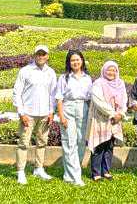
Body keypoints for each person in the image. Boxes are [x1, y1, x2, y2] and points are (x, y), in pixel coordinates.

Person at [12, 44, 57, 185]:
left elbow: (53, 94)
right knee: (24, 143)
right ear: (34, 55)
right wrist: (21, 112)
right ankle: (20, 171)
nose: (41, 56)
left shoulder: (51, 73)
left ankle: (39, 168)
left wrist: (51, 111)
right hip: (28, 114)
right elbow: (17, 92)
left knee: (42, 142)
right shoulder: (25, 71)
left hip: (45, 114)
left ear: (47, 56)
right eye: (39, 54)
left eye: (44, 54)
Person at [55, 50, 92, 187]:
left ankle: (68, 175)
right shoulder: (64, 78)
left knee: (81, 142)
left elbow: (90, 99)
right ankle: (76, 176)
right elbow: (59, 98)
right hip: (68, 108)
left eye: (78, 60)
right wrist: (61, 116)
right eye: (72, 60)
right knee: (69, 142)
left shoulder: (87, 78)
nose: (75, 62)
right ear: (69, 63)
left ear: (82, 61)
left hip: (83, 109)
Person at [86, 60, 127, 182]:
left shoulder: (120, 83)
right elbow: (98, 101)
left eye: (114, 70)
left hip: (115, 120)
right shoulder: (98, 83)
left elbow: (124, 99)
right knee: (99, 144)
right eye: (109, 69)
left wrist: (121, 113)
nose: (111, 72)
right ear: (104, 70)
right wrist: (113, 113)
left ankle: (106, 170)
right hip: (101, 119)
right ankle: (96, 172)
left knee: (109, 145)